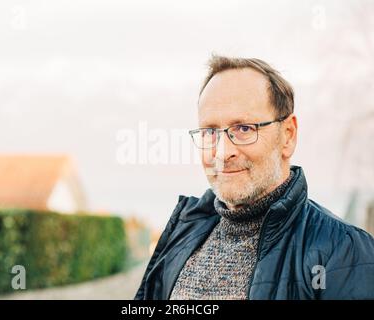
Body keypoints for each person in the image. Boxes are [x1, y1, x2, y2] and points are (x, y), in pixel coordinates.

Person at [135, 55, 374, 300]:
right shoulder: (182, 232)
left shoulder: (346, 253)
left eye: (244, 129)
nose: (223, 153)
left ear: (288, 135)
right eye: (209, 131)